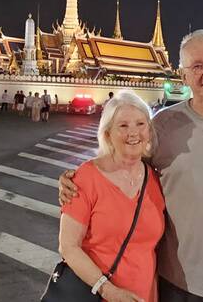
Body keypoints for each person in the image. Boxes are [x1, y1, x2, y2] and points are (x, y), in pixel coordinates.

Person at [60, 29, 203, 301]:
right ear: (183, 76)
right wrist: (74, 180)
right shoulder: (163, 125)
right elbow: (124, 166)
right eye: (196, 66)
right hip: (175, 285)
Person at [58, 90, 164, 302]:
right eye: (123, 126)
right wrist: (107, 290)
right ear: (108, 134)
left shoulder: (155, 178)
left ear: (149, 131)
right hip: (99, 294)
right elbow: (68, 247)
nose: (133, 133)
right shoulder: (86, 177)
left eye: (141, 124)